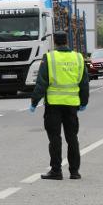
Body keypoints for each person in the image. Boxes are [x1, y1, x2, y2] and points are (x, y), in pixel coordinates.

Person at [29, 31, 89, 180]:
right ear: (67, 41)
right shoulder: (78, 58)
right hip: (71, 106)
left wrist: (34, 102)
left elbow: (41, 83)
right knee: (72, 138)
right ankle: (74, 172)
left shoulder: (49, 58)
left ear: (55, 42)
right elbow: (84, 83)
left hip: (53, 105)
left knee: (55, 138)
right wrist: (84, 102)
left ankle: (56, 171)